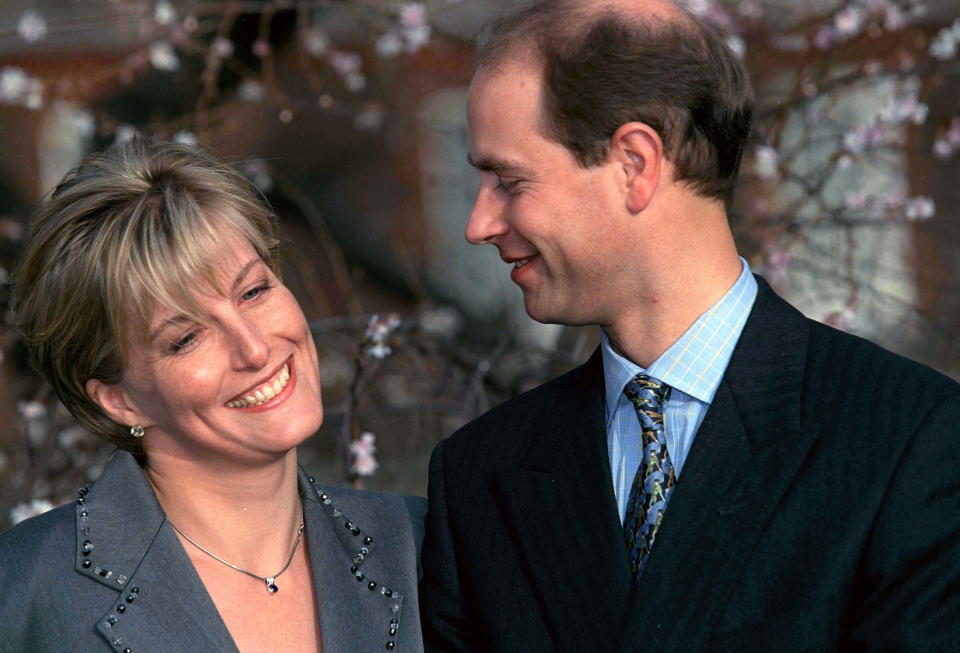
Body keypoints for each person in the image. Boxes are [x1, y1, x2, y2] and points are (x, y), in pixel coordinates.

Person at [418, 1, 960, 651]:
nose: (478, 224)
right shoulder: (478, 475)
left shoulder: (908, 437)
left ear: (635, 165)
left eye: (508, 180)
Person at [0, 138, 424, 652]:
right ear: (118, 399)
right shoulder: (24, 592)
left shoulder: (418, 545)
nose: (253, 348)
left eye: (253, 291)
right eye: (186, 338)